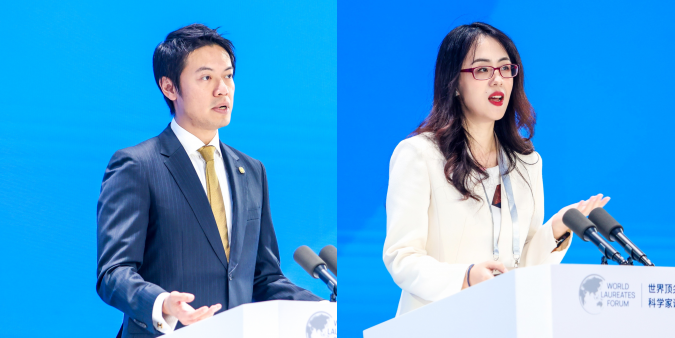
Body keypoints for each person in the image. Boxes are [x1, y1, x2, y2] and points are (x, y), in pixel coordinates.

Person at [96, 24, 321, 338]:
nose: (223, 89)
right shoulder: (137, 165)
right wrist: (162, 303)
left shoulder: (252, 170)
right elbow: (113, 273)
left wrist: (323, 309)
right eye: (206, 78)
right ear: (169, 88)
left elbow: (263, 278)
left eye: (228, 76)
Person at [383, 22, 609, 316]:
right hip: (436, 322)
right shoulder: (419, 155)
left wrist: (556, 229)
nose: (498, 80)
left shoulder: (527, 162)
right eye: (482, 70)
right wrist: (465, 276)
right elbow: (402, 257)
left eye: (505, 69)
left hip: (502, 321)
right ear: (454, 84)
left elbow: (522, 266)